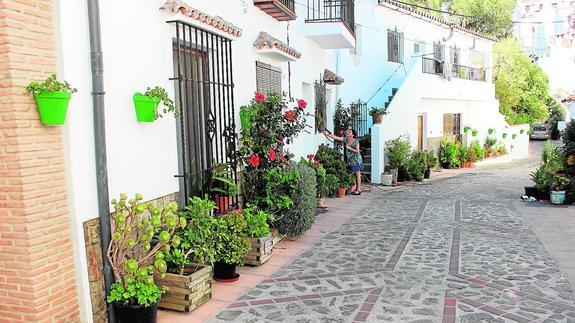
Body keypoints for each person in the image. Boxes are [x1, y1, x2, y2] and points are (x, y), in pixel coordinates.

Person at [323, 129, 363, 195]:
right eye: (348, 132)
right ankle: (356, 189)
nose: (348, 133)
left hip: (356, 160)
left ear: (353, 135)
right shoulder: (346, 139)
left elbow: (358, 151)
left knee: (357, 174)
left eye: (350, 132)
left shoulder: (356, 142)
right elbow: (336, 137)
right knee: (355, 175)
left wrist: (350, 148)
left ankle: (358, 190)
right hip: (351, 160)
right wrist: (328, 134)